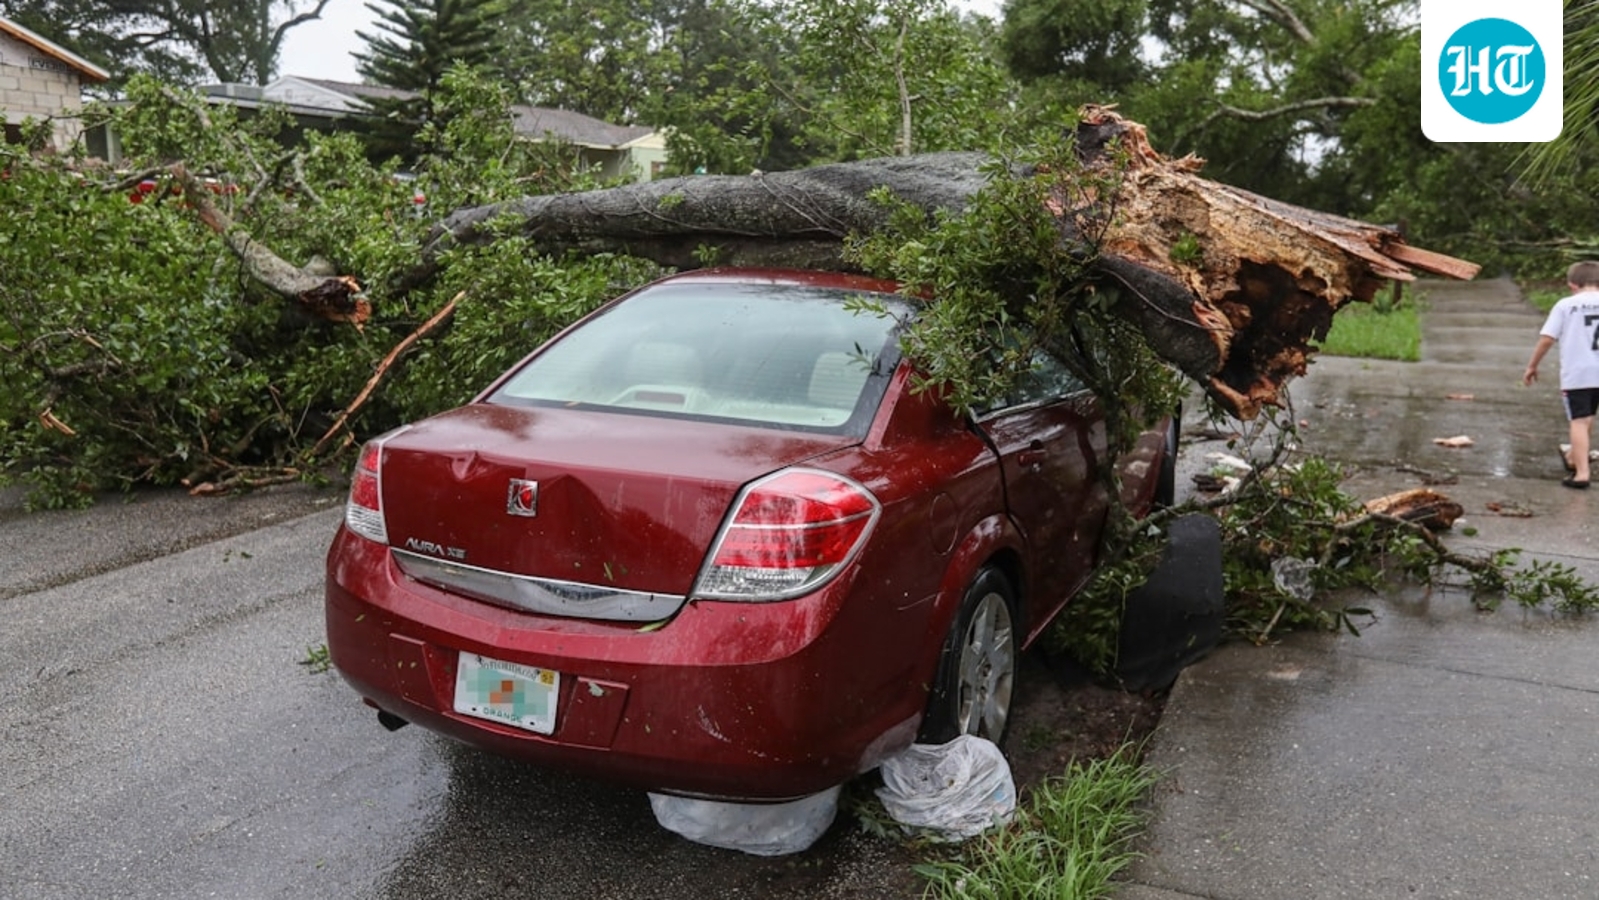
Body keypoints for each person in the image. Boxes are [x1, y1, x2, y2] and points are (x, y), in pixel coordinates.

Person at [1523, 260, 1599, 489]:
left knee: (1579, 420)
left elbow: (1547, 338)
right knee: (1588, 418)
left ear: (1572, 285)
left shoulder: (1566, 305)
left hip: (1579, 373)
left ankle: (1582, 474)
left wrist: (1532, 365)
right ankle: (1573, 457)